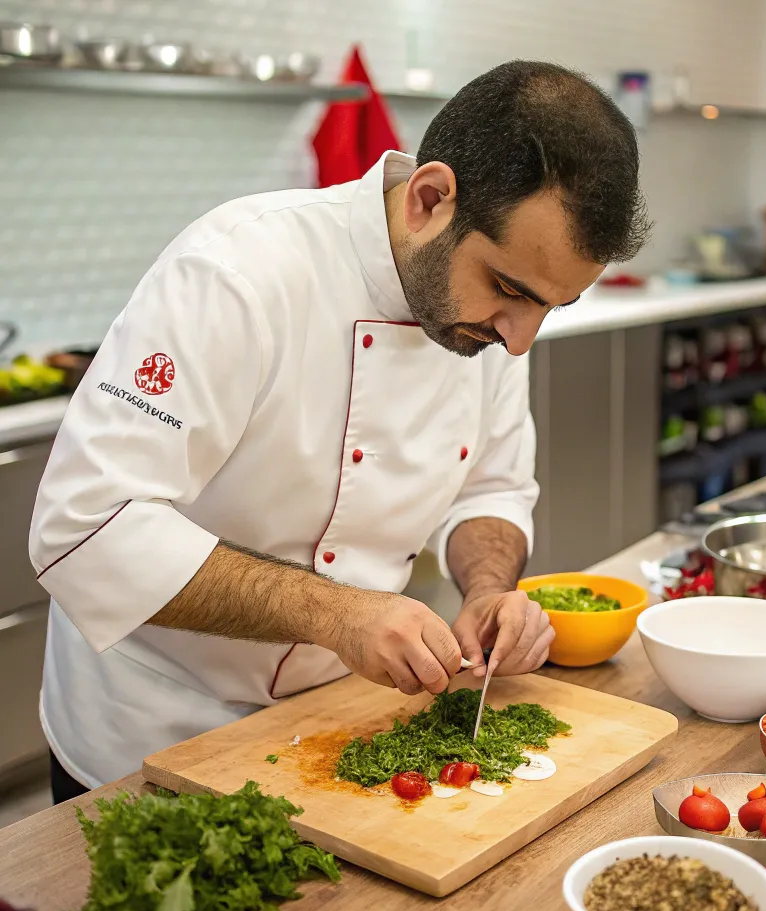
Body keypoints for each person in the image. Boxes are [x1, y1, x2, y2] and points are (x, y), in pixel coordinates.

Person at [28, 60, 651, 801]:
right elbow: (83, 528)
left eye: (550, 307)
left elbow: (492, 487)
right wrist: (338, 614)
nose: (521, 341)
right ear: (429, 199)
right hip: (151, 728)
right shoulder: (236, 272)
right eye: (509, 289)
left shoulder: (487, 324)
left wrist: (487, 591)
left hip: (339, 724)